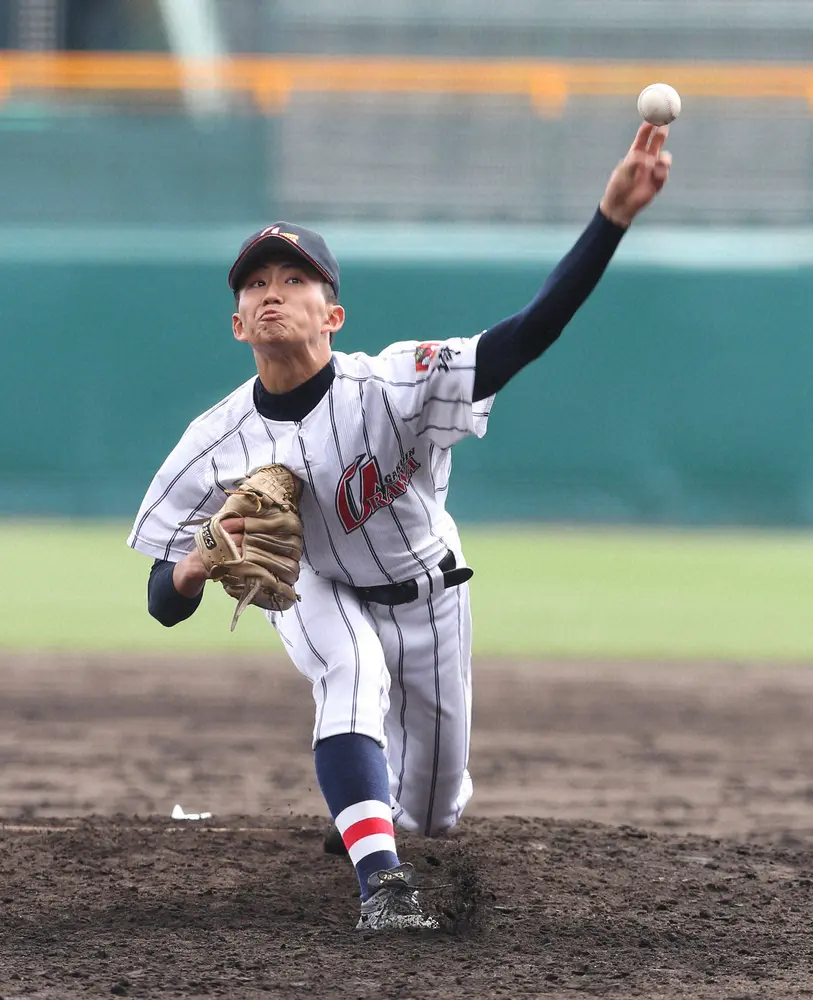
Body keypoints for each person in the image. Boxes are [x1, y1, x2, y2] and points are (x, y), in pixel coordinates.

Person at [127, 123, 672, 931]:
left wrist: (610, 220)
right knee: (346, 674)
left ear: (333, 313)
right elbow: (159, 603)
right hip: (320, 586)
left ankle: (370, 812)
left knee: (435, 812)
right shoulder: (211, 442)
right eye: (254, 285)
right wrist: (200, 562)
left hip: (432, 594)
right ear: (238, 325)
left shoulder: (394, 384)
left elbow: (524, 337)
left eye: (293, 278)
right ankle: (381, 884)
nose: (271, 290)